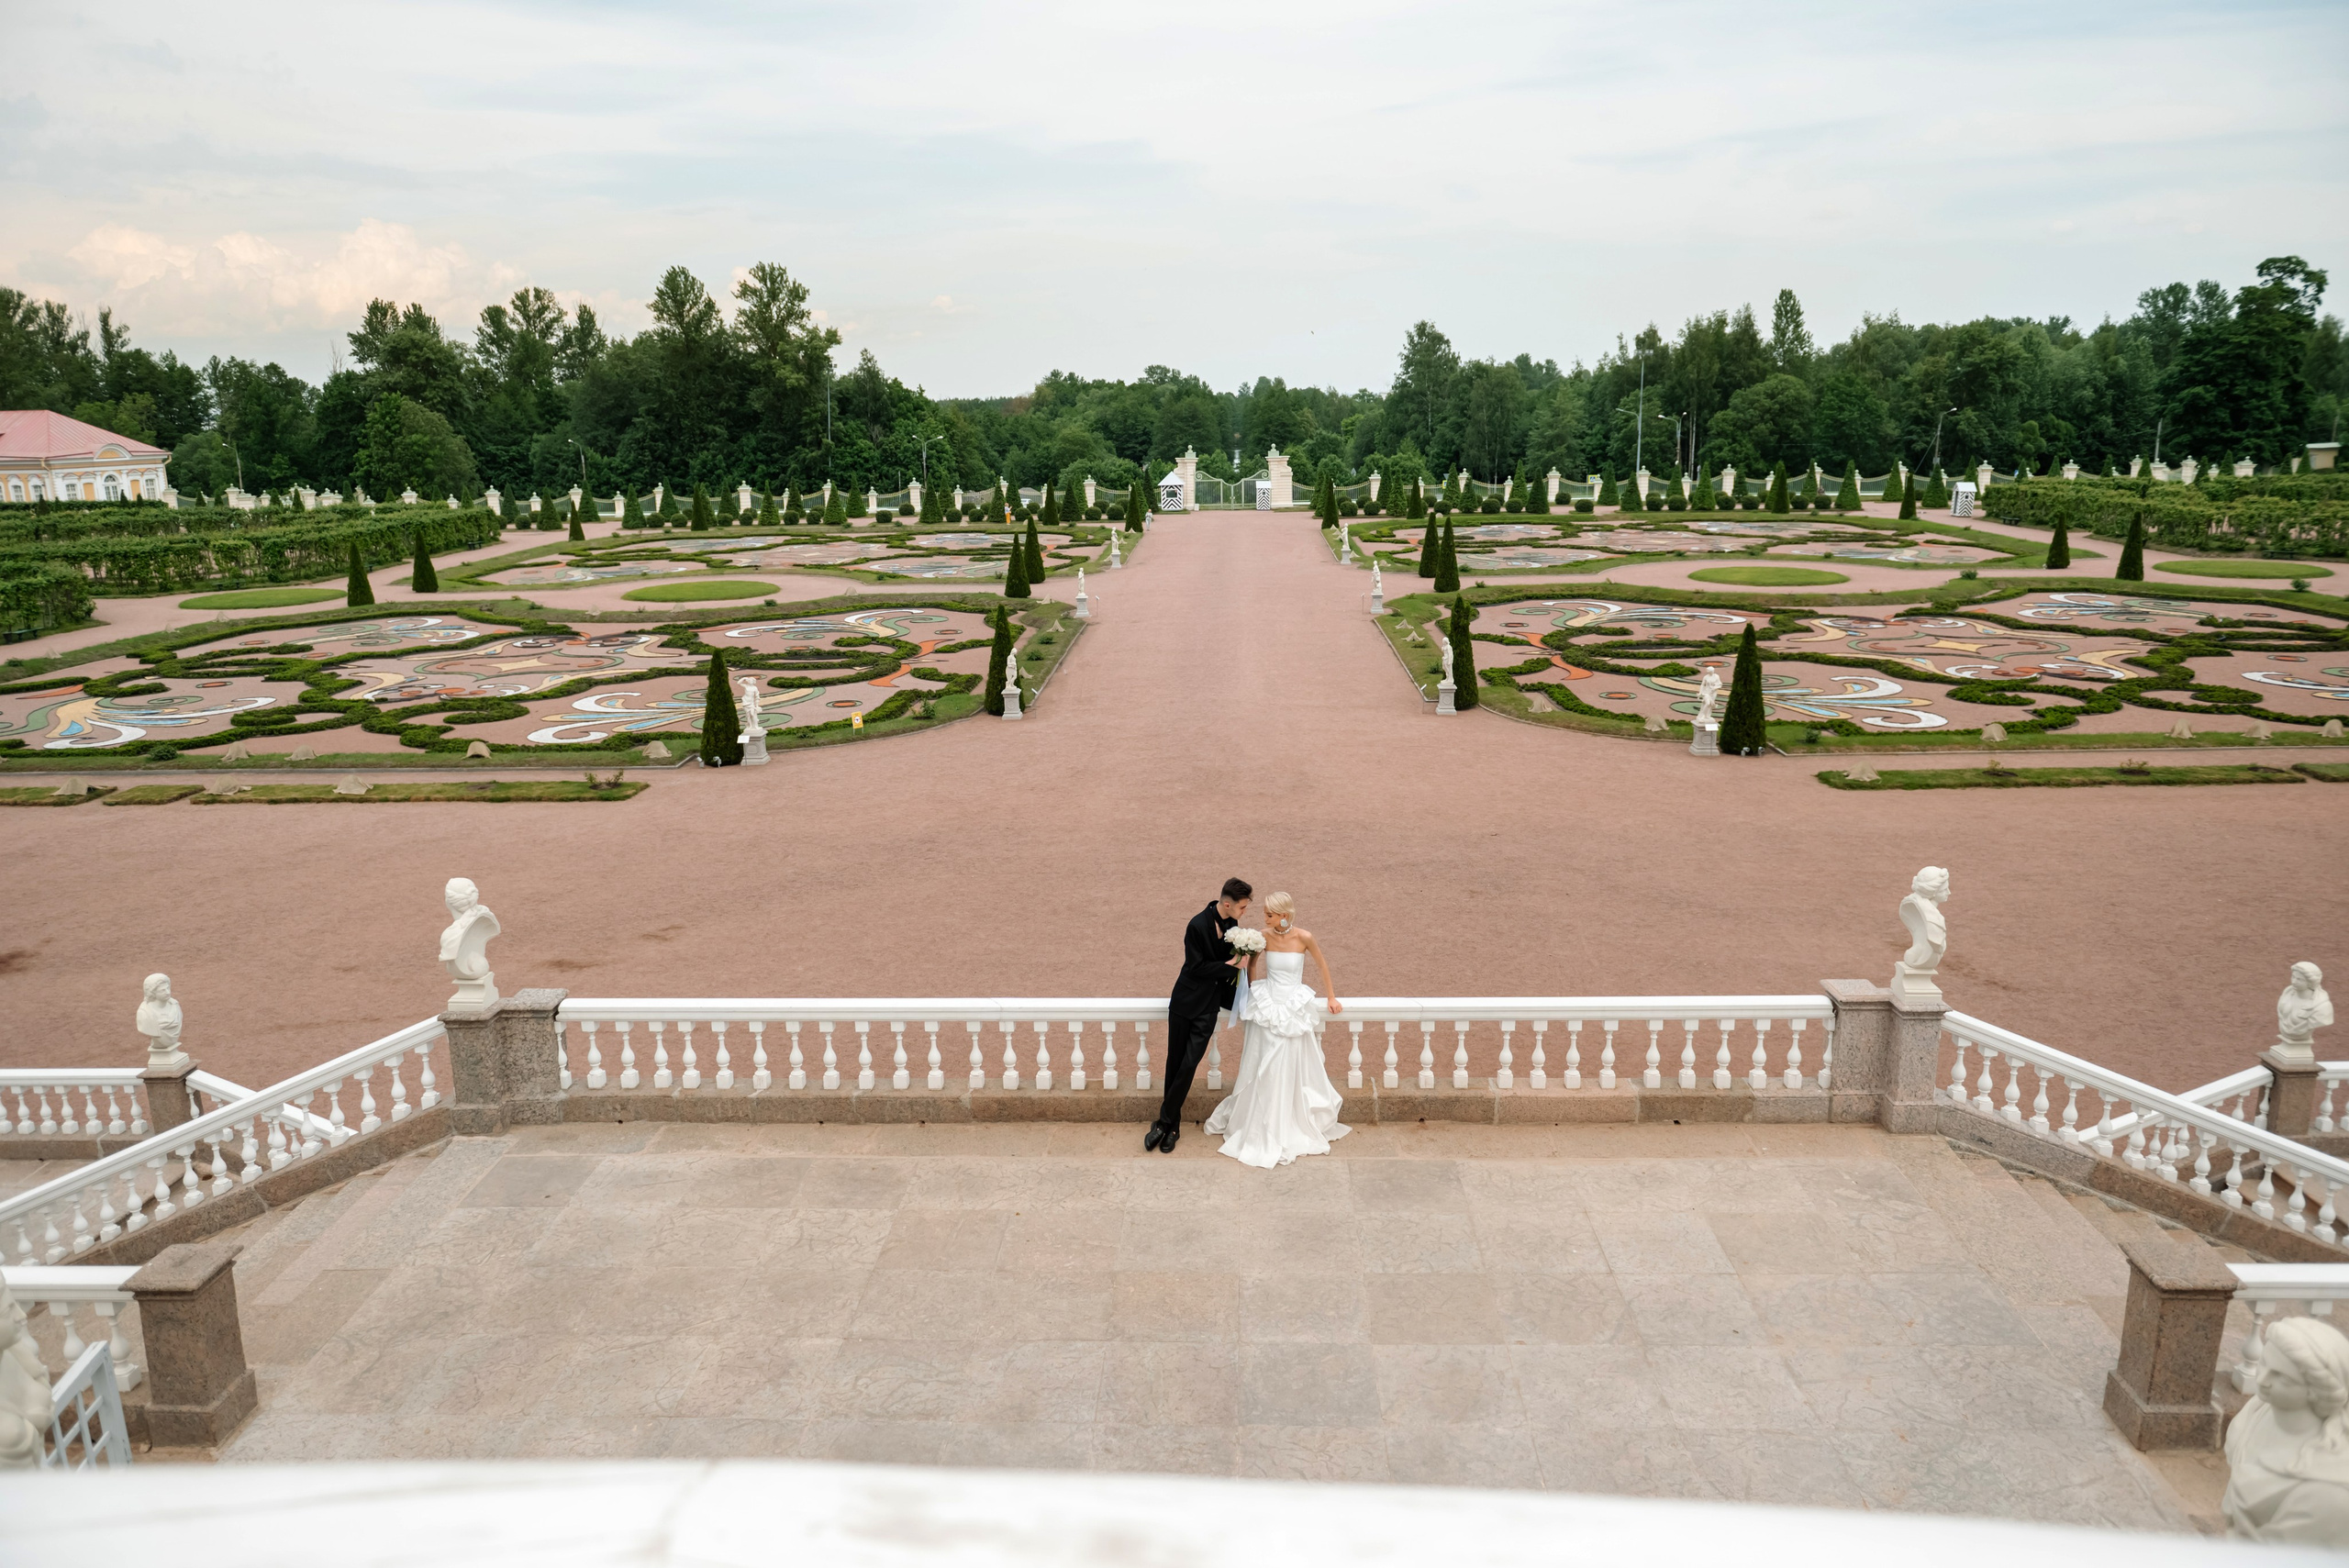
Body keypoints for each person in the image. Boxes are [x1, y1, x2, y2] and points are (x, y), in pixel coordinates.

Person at [1204, 891, 1351, 1169]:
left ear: (1284, 915)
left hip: (1293, 1006)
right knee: (1263, 1062)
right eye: (1265, 914)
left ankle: (1286, 1119)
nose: (1265, 918)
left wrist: (1332, 997)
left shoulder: (1304, 937)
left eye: (1270, 915)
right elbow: (1252, 967)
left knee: (1287, 1061)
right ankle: (1259, 1120)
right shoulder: (1263, 937)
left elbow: (1322, 965)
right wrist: (1249, 995)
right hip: (1268, 1004)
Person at [1148, 878, 1250, 1154]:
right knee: (1174, 1063)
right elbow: (1195, 967)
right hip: (1184, 1002)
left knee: (1189, 1064)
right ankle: (1173, 1127)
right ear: (1227, 904)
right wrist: (1230, 965)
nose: (1244, 912)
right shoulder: (1196, 925)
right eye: (1242, 907)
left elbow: (1226, 969)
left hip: (1209, 1007)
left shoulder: (1233, 926)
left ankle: (1162, 1122)